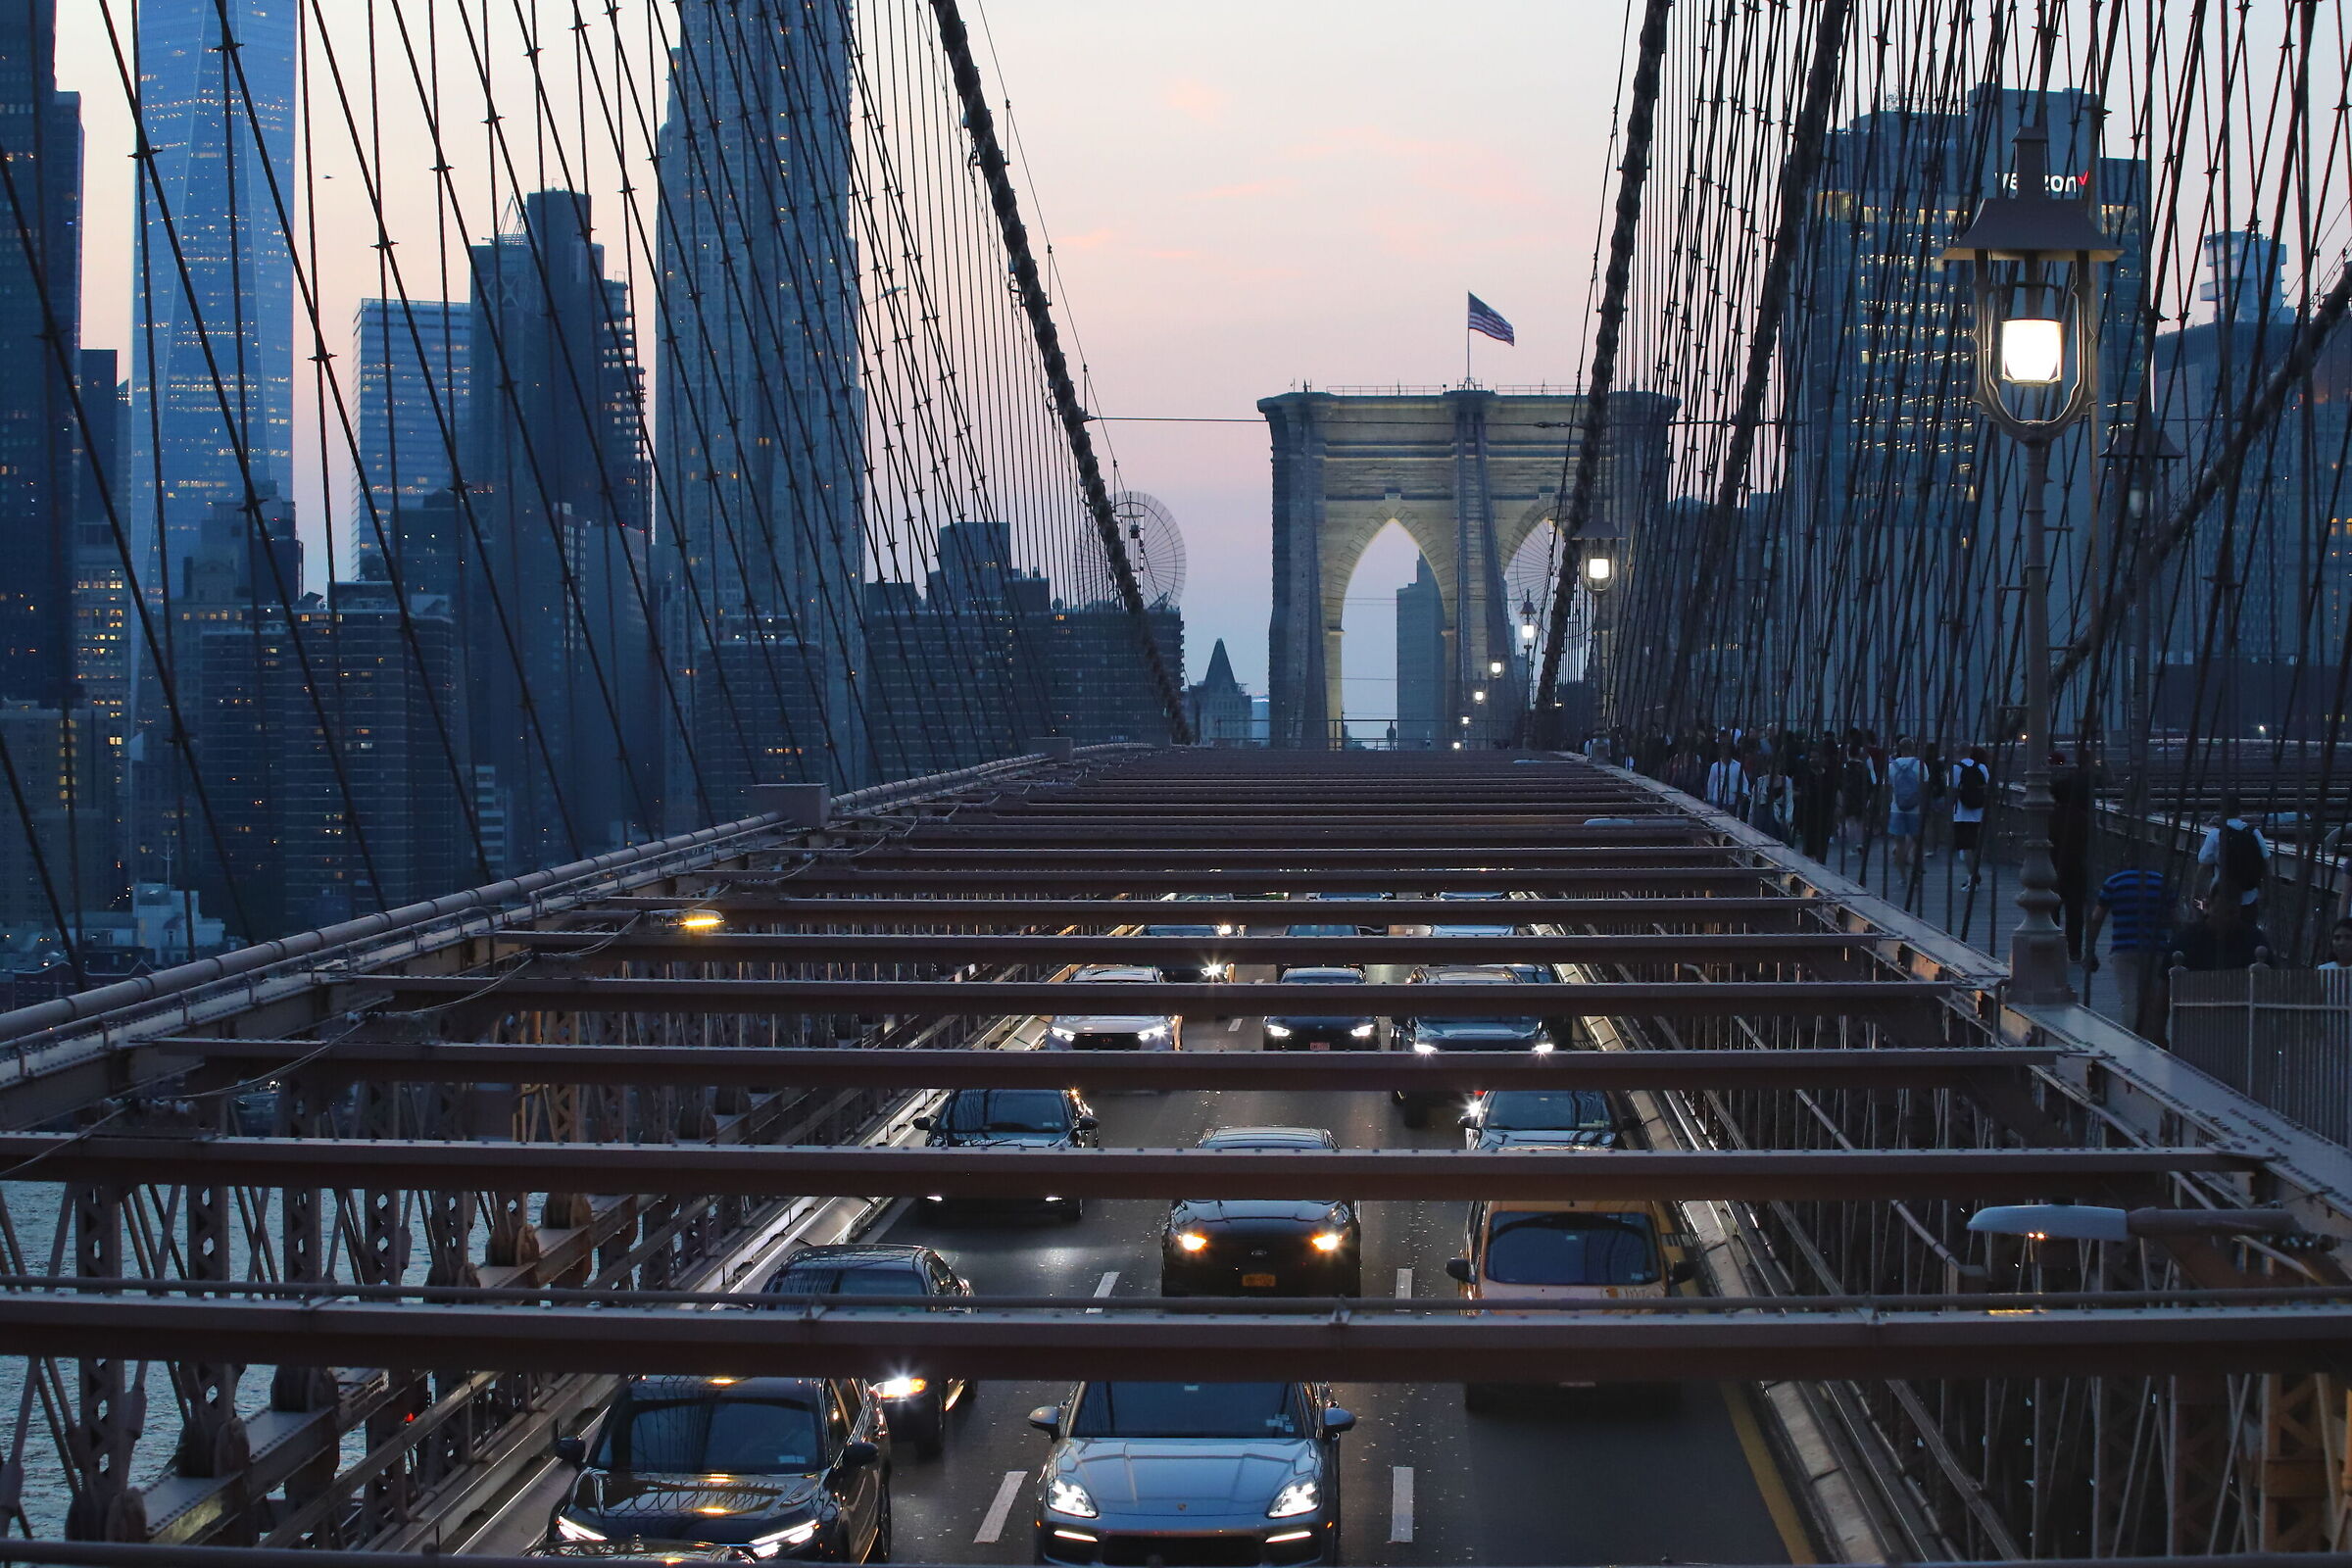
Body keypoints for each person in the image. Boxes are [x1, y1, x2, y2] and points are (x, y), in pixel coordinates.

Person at [2084, 858, 2173, 1035]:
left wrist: (2090, 950)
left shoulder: (2114, 882)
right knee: (2154, 999)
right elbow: (2172, 918)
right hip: (2156, 948)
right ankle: (2154, 1037)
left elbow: (2096, 918)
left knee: (2130, 999)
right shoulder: (2162, 882)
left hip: (2123, 949)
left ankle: (2134, 1038)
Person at [2048, 750, 2092, 962]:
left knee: (2052, 909)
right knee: (2075, 913)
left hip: (2053, 868)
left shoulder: (2050, 817)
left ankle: (2053, 946)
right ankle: (2075, 950)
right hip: (2077, 868)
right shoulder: (2083, 818)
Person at [2193, 796, 2272, 916]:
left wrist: (2195, 896)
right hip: (2249, 899)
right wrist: (2266, 894)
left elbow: (2203, 867)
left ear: (2221, 811)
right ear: (2240, 811)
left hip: (2221, 900)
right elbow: (2266, 864)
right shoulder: (2253, 832)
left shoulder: (2216, 834)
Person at [2172, 897, 2272, 973]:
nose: (2225, 919)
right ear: (2207, 907)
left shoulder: (2254, 940)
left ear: (2239, 911)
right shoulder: (2186, 939)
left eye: (2231, 913)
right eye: (2218, 911)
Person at [1947, 747, 1990, 889]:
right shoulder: (1982, 767)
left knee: (1965, 847)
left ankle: (1973, 878)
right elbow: (1987, 786)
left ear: (1958, 754)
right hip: (1978, 812)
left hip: (1961, 813)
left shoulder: (1955, 769)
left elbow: (1951, 789)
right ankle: (1972, 875)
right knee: (1975, 845)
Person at [1885, 738, 1927, 875]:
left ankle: (1902, 876)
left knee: (1900, 844)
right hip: (1915, 808)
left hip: (1897, 808)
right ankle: (1917, 870)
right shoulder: (1920, 764)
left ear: (1899, 748)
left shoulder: (1892, 766)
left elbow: (1888, 787)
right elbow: (1924, 785)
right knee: (1917, 842)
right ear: (1913, 748)